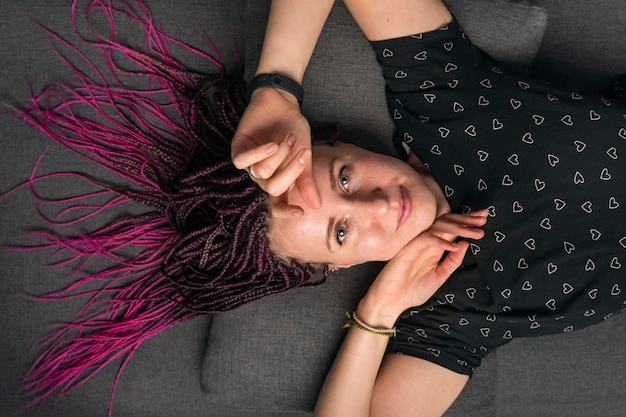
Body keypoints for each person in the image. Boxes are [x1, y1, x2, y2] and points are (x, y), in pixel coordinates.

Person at [231, 0, 626, 415]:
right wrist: (378, 311)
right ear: (341, 266)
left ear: (343, 145)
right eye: (342, 233)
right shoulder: (449, 314)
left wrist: (277, 90)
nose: (378, 207)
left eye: (345, 179)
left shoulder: (439, 94)